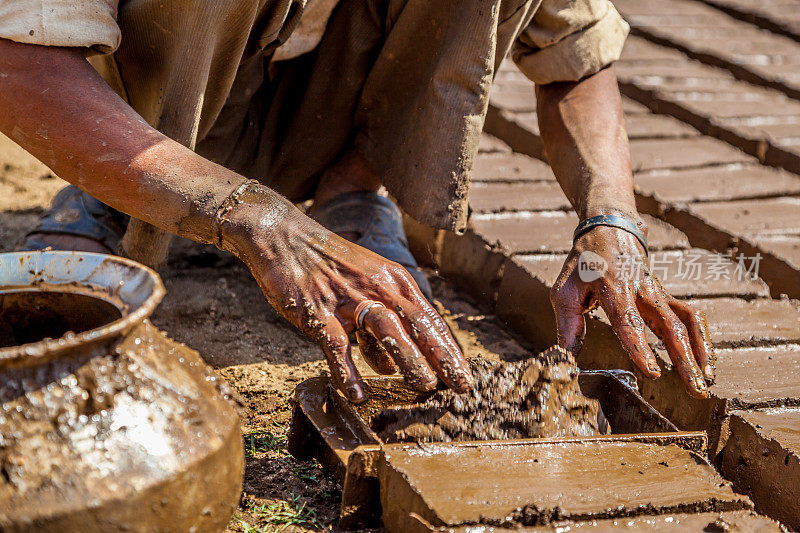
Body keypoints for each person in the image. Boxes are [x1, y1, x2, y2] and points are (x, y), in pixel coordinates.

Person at [0, 0, 714, 403]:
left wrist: (611, 217)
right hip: (158, 116)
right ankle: (122, 192)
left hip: (329, 112)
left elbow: (576, 52)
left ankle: (354, 188)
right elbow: (20, 59)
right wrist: (258, 217)